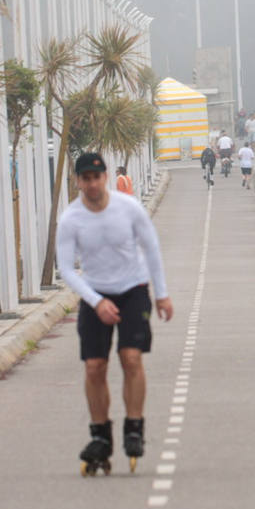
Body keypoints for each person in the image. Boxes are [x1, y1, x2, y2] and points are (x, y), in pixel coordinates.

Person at [55, 152, 173, 475]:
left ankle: (134, 428)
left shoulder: (128, 208)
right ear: (78, 182)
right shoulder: (71, 219)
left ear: (105, 177)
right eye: (85, 178)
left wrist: (161, 295)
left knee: (131, 358)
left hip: (133, 290)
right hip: (96, 295)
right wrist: (96, 301)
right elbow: (66, 268)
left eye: (96, 177)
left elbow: (151, 248)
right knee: (95, 366)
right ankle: (100, 436)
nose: (92, 184)